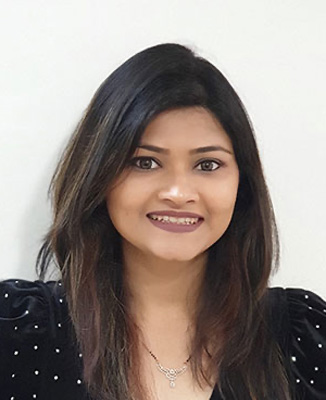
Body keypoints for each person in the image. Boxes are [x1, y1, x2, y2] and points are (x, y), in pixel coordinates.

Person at [0, 43, 325, 400]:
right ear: (98, 176)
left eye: (207, 165)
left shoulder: (303, 336)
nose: (178, 192)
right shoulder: (19, 330)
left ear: (241, 185)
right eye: (145, 162)